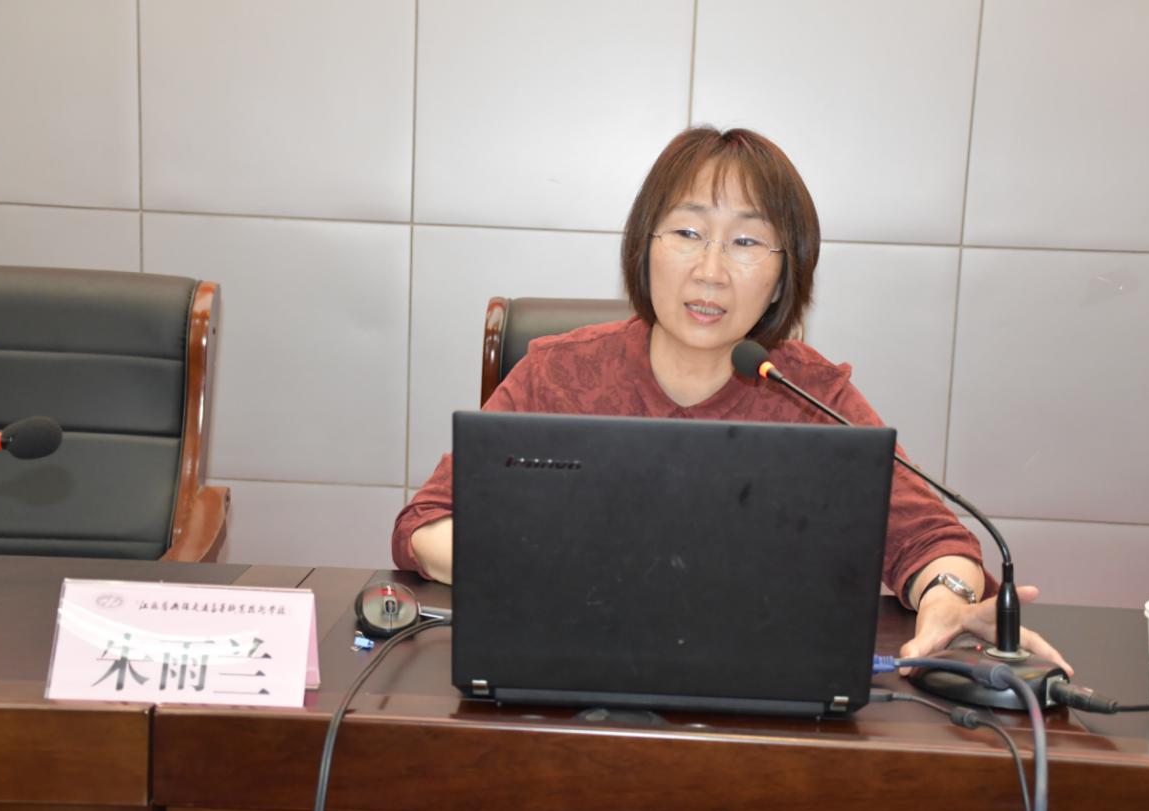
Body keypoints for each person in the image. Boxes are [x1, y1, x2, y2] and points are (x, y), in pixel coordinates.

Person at [393, 126, 1071, 673]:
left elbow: (931, 540)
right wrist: (568, 564)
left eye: (746, 241)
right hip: (571, 672)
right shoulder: (560, 373)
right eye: (687, 233)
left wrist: (948, 595)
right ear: (644, 248)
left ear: (782, 275)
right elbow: (424, 525)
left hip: (759, 689)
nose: (710, 270)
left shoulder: (810, 395)